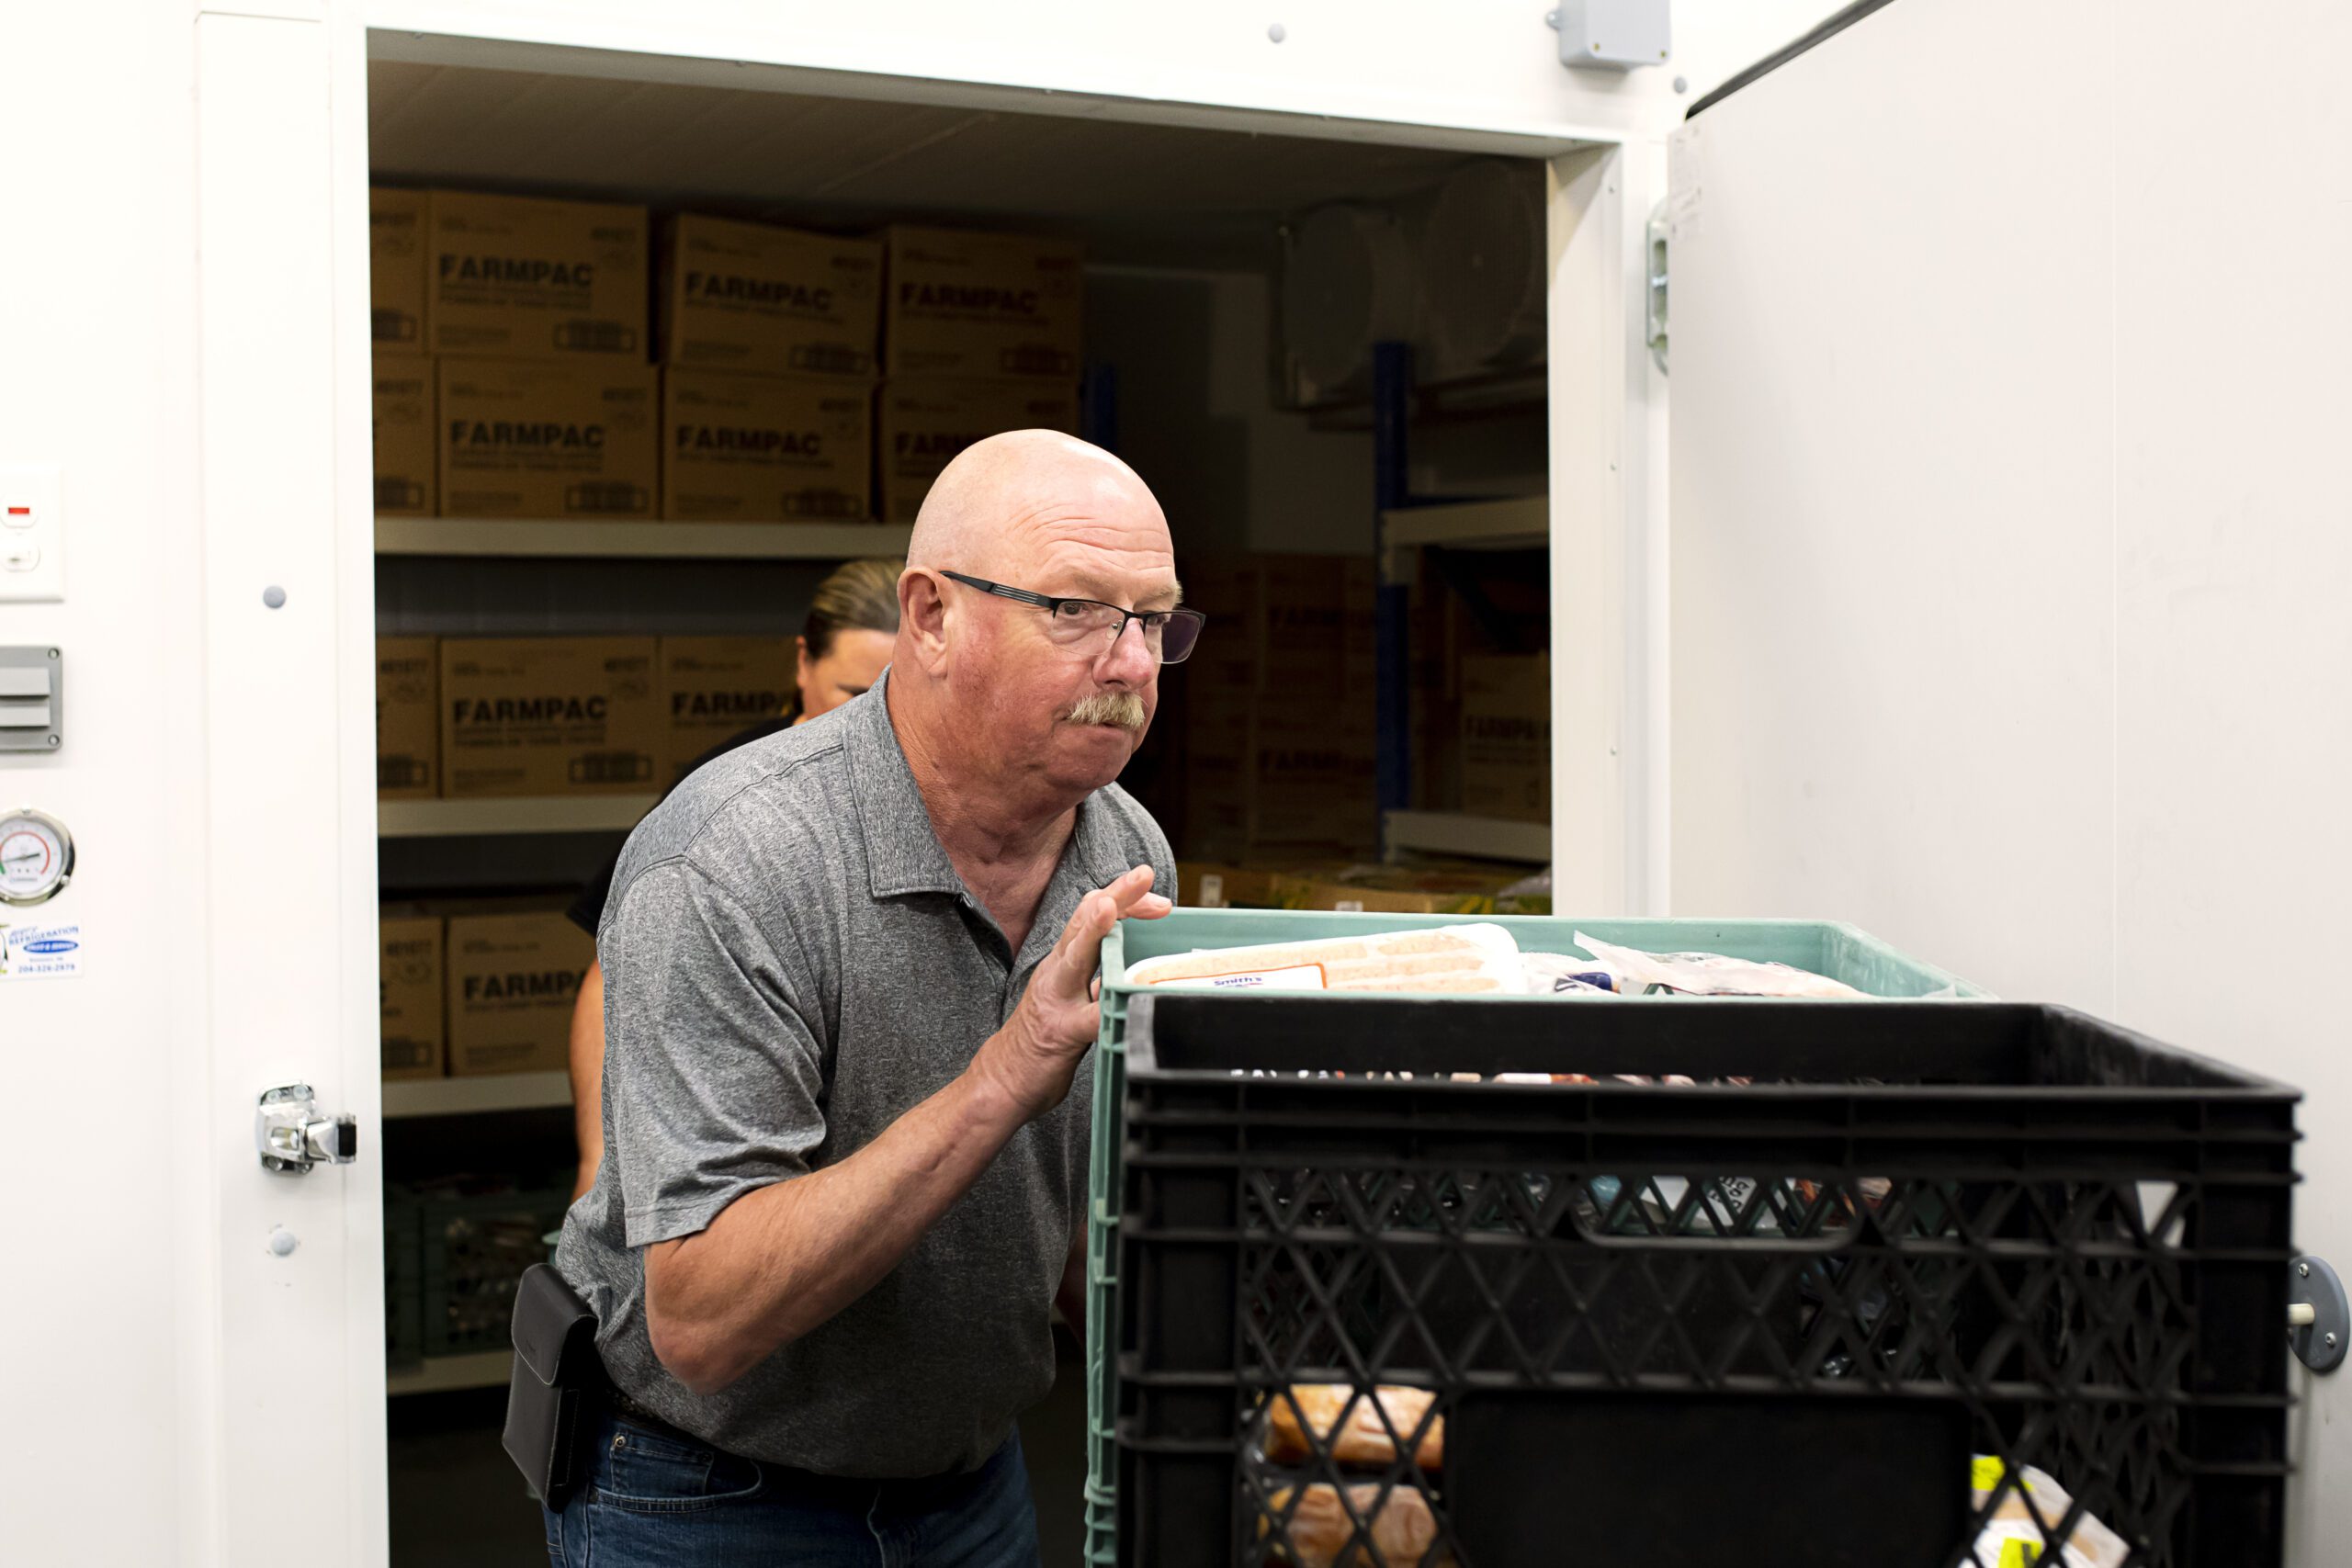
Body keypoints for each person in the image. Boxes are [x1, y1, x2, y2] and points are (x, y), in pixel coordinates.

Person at [546, 429, 1204, 1567]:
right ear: (933, 615)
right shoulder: (734, 861)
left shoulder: (1125, 847)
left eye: (1153, 621)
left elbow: (1086, 1227)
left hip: (970, 1486)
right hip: (706, 1499)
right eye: (1076, 612)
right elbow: (700, 1323)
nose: (1132, 663)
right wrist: (1007, 1073)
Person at [562, 558, 904, 1200]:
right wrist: (600, 1161)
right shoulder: (720, 799)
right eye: (854, 696)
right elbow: (611, 974)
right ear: (802, 663)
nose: (876, 722)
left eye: (902, 691)